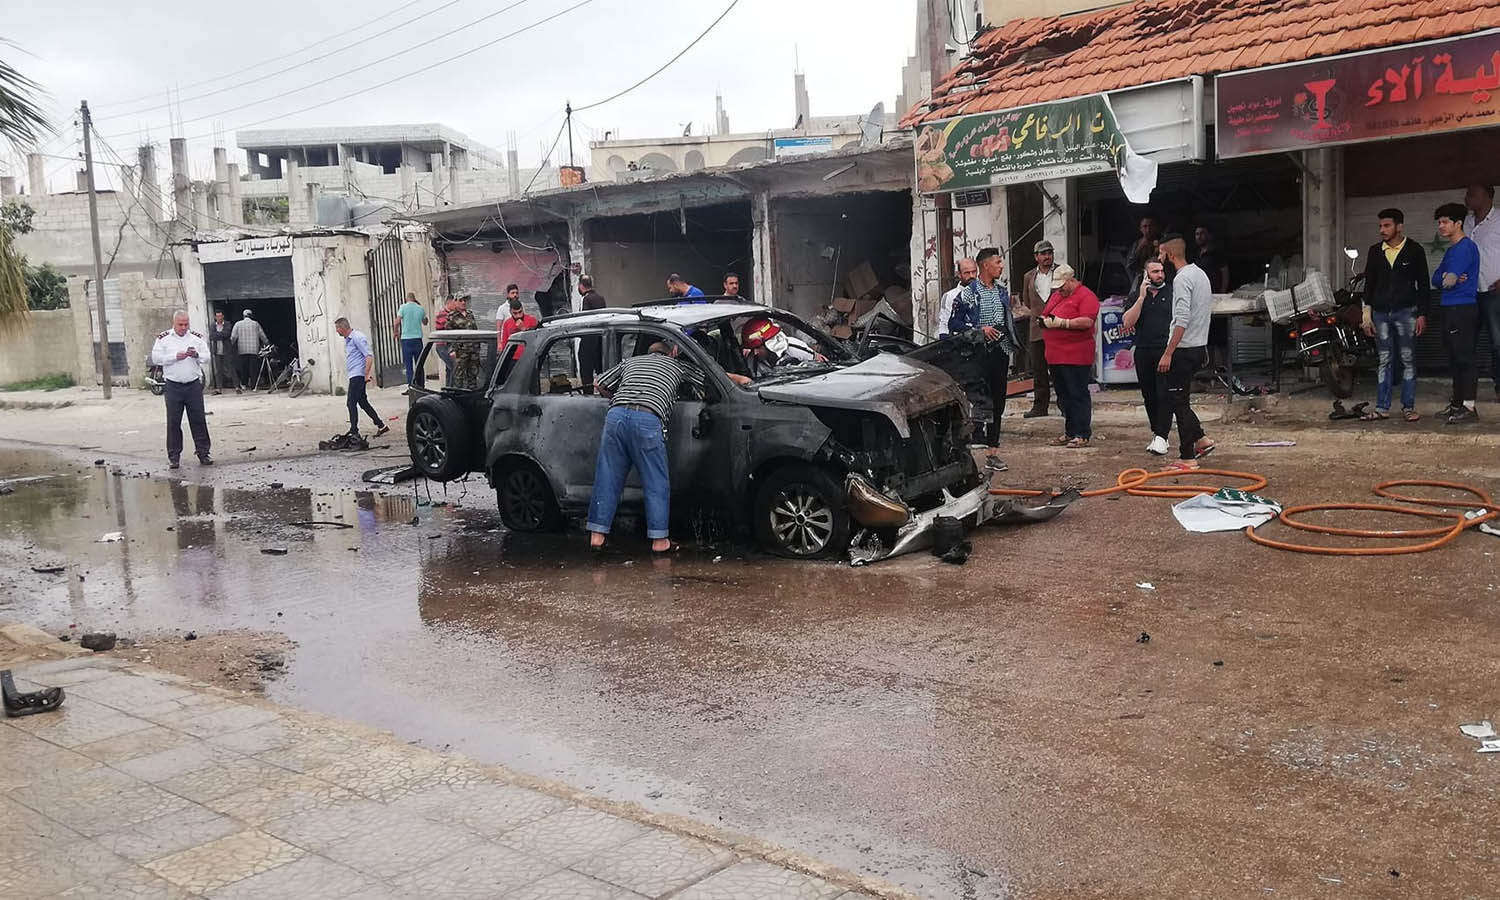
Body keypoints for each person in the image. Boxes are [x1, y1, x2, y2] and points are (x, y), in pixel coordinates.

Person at [586, 341, 750, 553]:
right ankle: (659, 541)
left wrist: (614, 398)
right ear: (673, 352)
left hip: (616, 416)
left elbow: (598, 383)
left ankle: (597, 537)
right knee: (655, 481)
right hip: (647, 419)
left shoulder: (631, 362)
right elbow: (711, 376)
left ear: (648, 353)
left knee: (607, 477)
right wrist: (742, 380)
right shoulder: (677, 365)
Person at [1359, 208, 1429, 423]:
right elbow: (1369, 284)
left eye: (1387, 225)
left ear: (1399, 226)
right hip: (1380, 314)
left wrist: (1422, 314)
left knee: (1407, 359)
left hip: (1406, 312)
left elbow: (1423, 285)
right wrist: (1366, 315)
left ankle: (1408, 407)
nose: (1382, 230)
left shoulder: (1414, 250)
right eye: (1380, 226)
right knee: (1384, 360)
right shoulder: (1375, 251)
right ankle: (1382, 408)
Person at [948, 247, 1021, 447]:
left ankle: (993, 444)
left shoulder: (1002, 291)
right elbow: (954, 323)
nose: (1001, 266)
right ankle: (978, 436)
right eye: (998, 262)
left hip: (1001, 351)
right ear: (986, 265)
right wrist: (980, 330)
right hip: (979, 354)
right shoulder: (969, 294)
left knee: (999, 399)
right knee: (980, 397)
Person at [1156, 235, 1215, 467]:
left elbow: (1181, 319)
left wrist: (1168, 352)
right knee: (1180, 399)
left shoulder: (1182, 279)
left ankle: (1187, 457)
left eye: (1161, 253)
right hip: (1198, 346)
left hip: (1183, 349)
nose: (1159, 258)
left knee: (1178, 402)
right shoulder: (1200, 274)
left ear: (1171, 254)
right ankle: (1201, 438)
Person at [1039, 265, 1100, 449]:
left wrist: (1063, 323)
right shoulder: (1058, 295)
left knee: (1077, 393)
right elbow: (1046, 312)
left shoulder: (1086, 296)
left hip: (1076, 354)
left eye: (1062, 286)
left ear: (1072, 280)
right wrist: (1045, 321)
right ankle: (1070, 431)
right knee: (1064, 395)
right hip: (1055, 354)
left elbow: (1087, 321)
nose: (1060, 289)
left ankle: (1082, 433)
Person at [1432, 202, 1482, 424]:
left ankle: (1469, 408)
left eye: (1445, 222)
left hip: (1462, 308)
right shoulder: (1451, 250)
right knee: (1454, 358)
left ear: (1458, 223)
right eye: (1439, 222)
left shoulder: (1465, 247)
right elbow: (1436, 278)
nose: (1441, 226)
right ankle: (1457, 404)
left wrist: (1448, 277)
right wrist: (1447, 277)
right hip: (1448, 307)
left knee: (1464, 357)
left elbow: (1449, 281)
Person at [1121, 258, 1174, 454]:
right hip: (1143, 350)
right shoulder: (1137, 295)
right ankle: (1157, 433)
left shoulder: (1172, 293)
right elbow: (1127, 322)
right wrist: (1141, 298)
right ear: (1146, 275)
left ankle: (1162, 435)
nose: (1159, 275)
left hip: (1165, 349)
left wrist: (1170, 352)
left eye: (1161, 271)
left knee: (1164, 394)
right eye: (1155, 272)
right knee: (1149, 395)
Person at [150, 311, 213, 469]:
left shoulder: (196, 338)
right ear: (174, 323)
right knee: (173, 421)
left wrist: (196, 355)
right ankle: (174, 457)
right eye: (181, 324)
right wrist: (175, 356)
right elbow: (156, 358)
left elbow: (207, 357)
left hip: (193, 385)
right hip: (173, 386)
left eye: (186, 324)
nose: (184, 327)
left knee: (198, 420)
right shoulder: (164, 338)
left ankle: (204, 453)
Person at [1462, 184, 1500, 402]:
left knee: (1498, 343)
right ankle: (1465, 392)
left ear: (1488, 197)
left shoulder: (1499, 220)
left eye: (1472, 194)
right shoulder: (1466, 222)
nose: (1467, 198)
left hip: (1495, 292)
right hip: (1470, 293)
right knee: (1466, 343)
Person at [1019, 240, 1058, 416]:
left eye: (1049, 253)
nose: (1047, 257)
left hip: (1057, 326)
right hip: (1037, 329)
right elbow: (1027, 301)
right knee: (1039, 369)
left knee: (1059, 368)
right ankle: (1040, 406)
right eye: (1043, 254)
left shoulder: (1061, 272)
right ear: (1036, 257)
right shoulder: (1029, 276)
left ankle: (1065, 405)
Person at [334, 317, 389, 438]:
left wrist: (366, 374)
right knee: (363, 402)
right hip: (354, 375)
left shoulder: (357, 337)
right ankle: (381, 425)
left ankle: (354, 431)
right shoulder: (349, 339)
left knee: (351, 403)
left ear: (342, 328)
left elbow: (368, 356)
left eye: (337, 328)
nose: (336, 331)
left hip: (358, 375)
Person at [741, 318, 823, 379]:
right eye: (752, 349)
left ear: (770, 343)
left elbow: (821, 362)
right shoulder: (752, 362)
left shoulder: (793, 347)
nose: (755, 352)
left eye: (758, 347)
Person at [578, 275, 607, 394]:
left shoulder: (586, 299)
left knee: (586, 374)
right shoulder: (601, 298)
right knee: (602, 373)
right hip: (601, 340)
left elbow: (585, 320)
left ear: (581, 286)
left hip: (589, 341)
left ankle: (588, 396)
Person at [936, 258, 977, 339]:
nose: (971, 276)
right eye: (967, 273)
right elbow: (944, 325)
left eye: (974, 272)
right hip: (960, 341)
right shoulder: (949, 296)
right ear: (959, 274)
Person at [444, 295, 479, 388]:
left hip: (473, 350)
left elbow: (475, 330)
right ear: (455, 302)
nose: (463, 302)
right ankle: (458, 395)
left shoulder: (470, 314)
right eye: (460, 300)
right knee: (458, 377)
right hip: (460, 351)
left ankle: (472, 394)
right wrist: (452, 350)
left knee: (473, 375)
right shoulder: (451, 316)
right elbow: (448, 336)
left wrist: (477, 346)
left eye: (464, 300)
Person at [394, 292, 428, 386]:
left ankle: (411, 386)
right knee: (419, 364)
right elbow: (425, 322)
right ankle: (421, 385)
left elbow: (397, 322)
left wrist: (395, 332)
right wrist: (421, 312)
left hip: (406, 340)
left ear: (406, 299)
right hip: (417, 339)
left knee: (408, 366)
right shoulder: (420, 308)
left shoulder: (403, 307)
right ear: (414, 299)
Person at [230, 309, 268, 389]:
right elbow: (262, 335)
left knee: (244, 368)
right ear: (251, 315)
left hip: (242, 350)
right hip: (254, 349)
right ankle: (253, 386)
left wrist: (230, 346)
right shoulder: (256, 324)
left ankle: (244, 384)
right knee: (253, 368)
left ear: (243, 316)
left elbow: (233, 337)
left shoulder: (238, 324)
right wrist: (267, 343)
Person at [208, 309, 239, 394]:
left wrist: (217, 335)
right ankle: (219, 388)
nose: (219, 318)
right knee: (219, 370)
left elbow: (227, 334)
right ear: (215, 317)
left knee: (231, 368)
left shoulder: (227, 324)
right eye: (217, 316)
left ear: (223, 316)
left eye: (220, 316)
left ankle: (237, 386)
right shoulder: (213, 325)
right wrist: (221, 335)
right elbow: (211, 336)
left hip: (227, 350)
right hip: (217, 351)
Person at [1194, 226, 1230, 293]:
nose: (1199, 237)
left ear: (1209, 235)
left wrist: (1223, 291)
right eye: (1197, 234)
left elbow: (1225, 273)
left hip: (1214, 292)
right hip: (1199, 292)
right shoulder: (1195, 254)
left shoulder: (1217, 253)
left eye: (1202, 233)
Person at [1127, 216, 1161, 283]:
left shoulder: (1162, 243)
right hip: (1141, 278)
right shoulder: (1137, 244)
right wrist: (1139, 248)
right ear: (1141, 229)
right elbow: (1129, 264)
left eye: (1150, 226)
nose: (1148, 230)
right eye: (1145, 226)